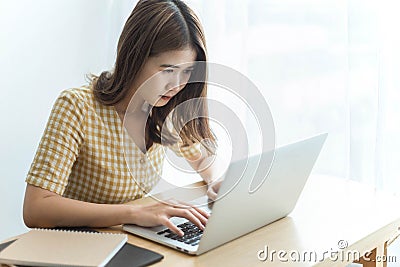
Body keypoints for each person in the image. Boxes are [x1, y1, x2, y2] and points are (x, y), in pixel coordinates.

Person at [23, 0, 220, 237]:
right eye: (167, 70)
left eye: (186, 72)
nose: (177, 85)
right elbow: (36, 209)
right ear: (135, 56)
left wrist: (214, 180)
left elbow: (200, 157)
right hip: (77, 244)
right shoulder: (77, 107)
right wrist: (134, 213)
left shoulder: (163, 108)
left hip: (127, 239)